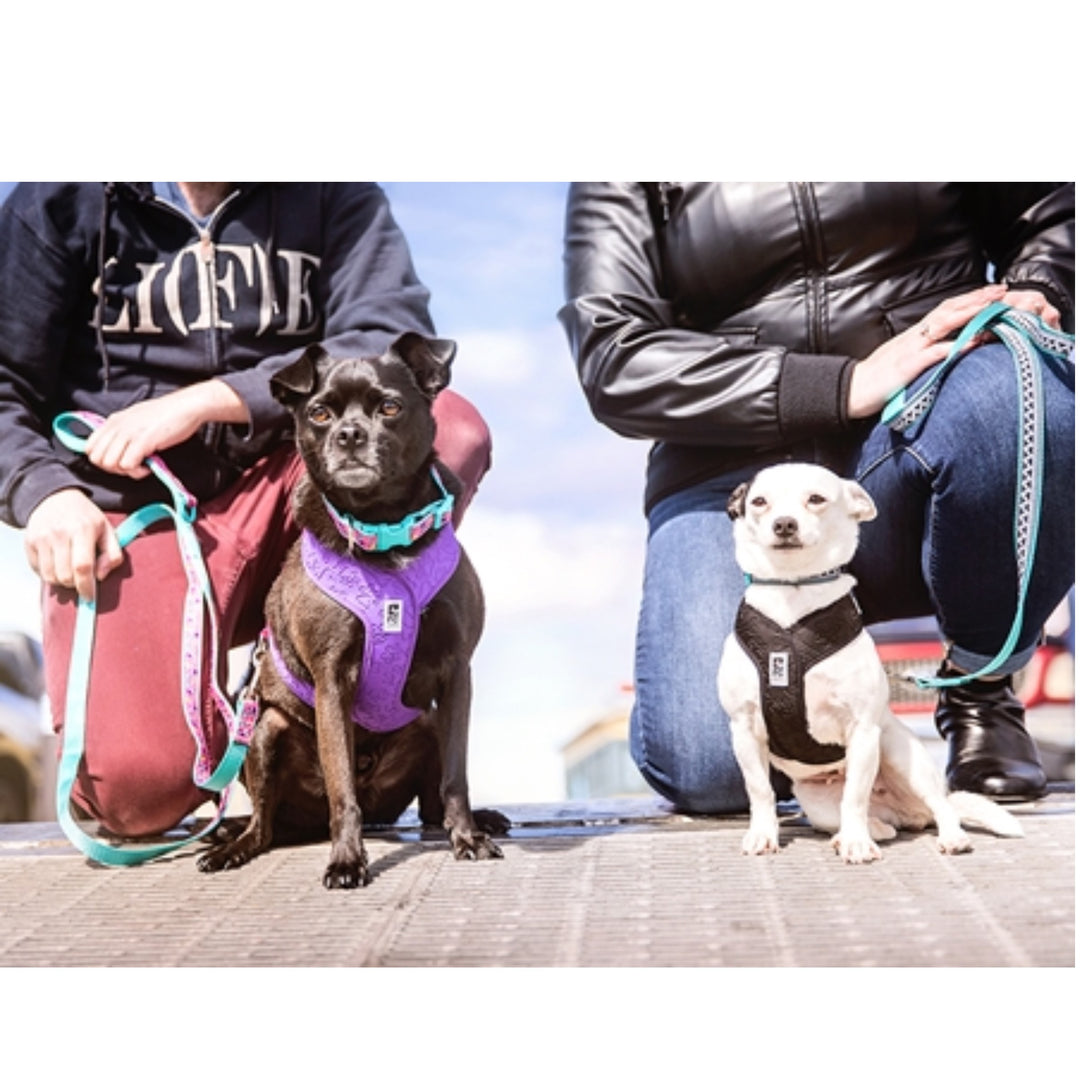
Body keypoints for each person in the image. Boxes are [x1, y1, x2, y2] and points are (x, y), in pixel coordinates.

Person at [560, 182, 1074, 813]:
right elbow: (613, 354)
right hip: (729, 464)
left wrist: (1041, 285)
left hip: (923, 405)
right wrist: (839, 385)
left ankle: (981, 687)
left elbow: (1050, 213)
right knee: (709, 766)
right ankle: (829, 762)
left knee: (1022, 391)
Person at [0, 182, 491, 837]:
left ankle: (341, 671)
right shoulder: (59, 198)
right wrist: (42, 490)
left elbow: (384, 339)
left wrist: (209, 400)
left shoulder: (334, 193)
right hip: (134, 515)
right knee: (133, 797)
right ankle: (240, 715)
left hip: (290, 490)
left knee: (452, 430)